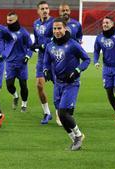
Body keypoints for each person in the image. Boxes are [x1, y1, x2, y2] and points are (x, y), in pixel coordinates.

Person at [43, 18, 90, 150]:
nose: (57, 31)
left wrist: (77, 71)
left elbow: (87, 59)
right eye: (54, 29)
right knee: (61, 115)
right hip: (58, 84)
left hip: (71, 84)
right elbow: (46, 62)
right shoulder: (50, 46)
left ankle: (79, 136)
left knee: (63, 113)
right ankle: (74, 140)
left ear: (65, 29)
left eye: (59, 28)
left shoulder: (73, 44)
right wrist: (46, 70)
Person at [5, 12, 33, 113]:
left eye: (10, 20)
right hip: (9, 63)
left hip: (22, 63)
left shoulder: (24, 33)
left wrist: (27, 56)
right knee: (9, 85)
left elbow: (31, 46)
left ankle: (24, 104)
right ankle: (15, 96)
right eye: (7, 20)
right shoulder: (5, 32)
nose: (8, 22)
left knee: (23, 85)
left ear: (16, 20)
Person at [32, 1, 54, 124]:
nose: (45, 10)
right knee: (39, 85)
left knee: (59, 86)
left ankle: (60, 113)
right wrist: (34, 45)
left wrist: (44, 45)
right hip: (42, 58)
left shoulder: (54, 22)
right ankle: (47, 113)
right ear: (38, 11)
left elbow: (56, 38)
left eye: (46, 8)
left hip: (54, 58)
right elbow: (36, 39)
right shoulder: (35, 23)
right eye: (42, 8)